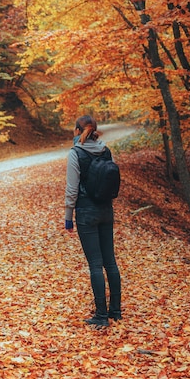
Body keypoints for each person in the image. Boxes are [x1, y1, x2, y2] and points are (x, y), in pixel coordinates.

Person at [64, 115, 121, 327]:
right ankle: (115, 310)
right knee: (110, 262)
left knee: (95, 265)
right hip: (106, 210)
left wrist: (68, 216)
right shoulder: (106, 151)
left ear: (78, 130)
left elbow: (72, 189)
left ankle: (100, 315)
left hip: (87, 212)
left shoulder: (76, 153)